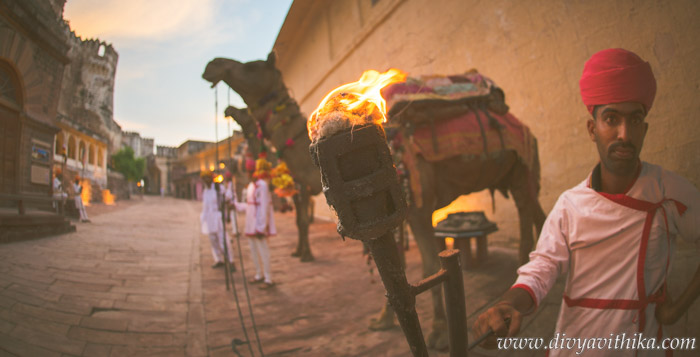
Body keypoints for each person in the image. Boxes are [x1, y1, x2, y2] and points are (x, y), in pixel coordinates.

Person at [472, 48, 700, 356]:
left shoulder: (669, 193)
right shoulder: (570, 205)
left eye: (635, 120)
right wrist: (508, 304)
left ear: (645, 129)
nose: (624, 134)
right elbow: (542, 267)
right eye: (611, 119)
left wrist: (675, 310)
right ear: (592, 129)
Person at [240, 155, 277, 289]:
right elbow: (249, 205)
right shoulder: (251, 186)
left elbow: (264, 208)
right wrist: (235, 205)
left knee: (263, 251)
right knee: (253, 251)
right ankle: (258, 274)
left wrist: (261, 227)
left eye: (250, 171)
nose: (248, 174)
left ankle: (268, 278)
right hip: (250, 224)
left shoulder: (262, 185)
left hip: (259, 225)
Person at [200, 170, 235, 271]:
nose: (206, 181)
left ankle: (230, 260)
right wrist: (203, 220)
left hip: (218, 216)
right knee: (213, 240)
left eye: (207, 178)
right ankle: (218, 259)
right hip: (209, 218)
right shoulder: (206, 191)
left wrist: (227, 212)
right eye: (204, 179)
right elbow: (205, 207)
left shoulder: (218, 188)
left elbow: (228, 198)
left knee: (223, 239)